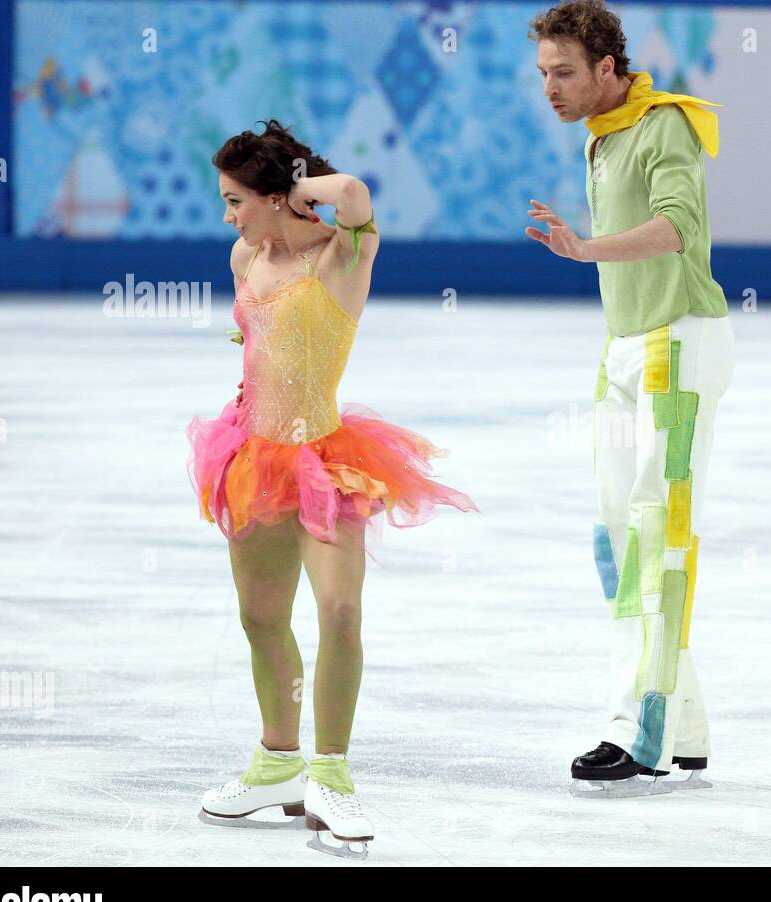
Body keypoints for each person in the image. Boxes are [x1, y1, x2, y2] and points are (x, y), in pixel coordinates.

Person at [189, 119, 478, 857]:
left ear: (275, 194)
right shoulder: (243, 257)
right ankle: (278, 762)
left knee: (340, 609)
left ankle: (332, 776)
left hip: (326, 460)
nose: (228, 215)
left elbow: (351, 193)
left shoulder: (344, 254)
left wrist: (298, 187)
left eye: (235, 199)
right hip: (252, 454)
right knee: (260, 618)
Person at [525, 1, 735, 796]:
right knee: (622, 542)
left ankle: (637, 730)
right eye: (544, 74)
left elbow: (680, 226)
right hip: (624, 351)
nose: (551, 88)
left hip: (677, 348)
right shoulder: (604, 136)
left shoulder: (665, 126)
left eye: (565, 72)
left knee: (661, 532)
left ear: (609, 68)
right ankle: (684, 726)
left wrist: (585, 248)